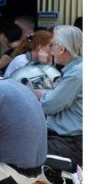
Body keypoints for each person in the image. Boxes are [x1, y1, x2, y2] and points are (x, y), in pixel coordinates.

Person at [38, 25, 83, 166]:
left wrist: (37, 97)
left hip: (71, 142)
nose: (50, 50)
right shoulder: (76, 70)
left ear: (62, 49)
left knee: (22, 149)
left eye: (52, 45)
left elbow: (48, 105)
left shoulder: (76, 74)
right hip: (67, 138)